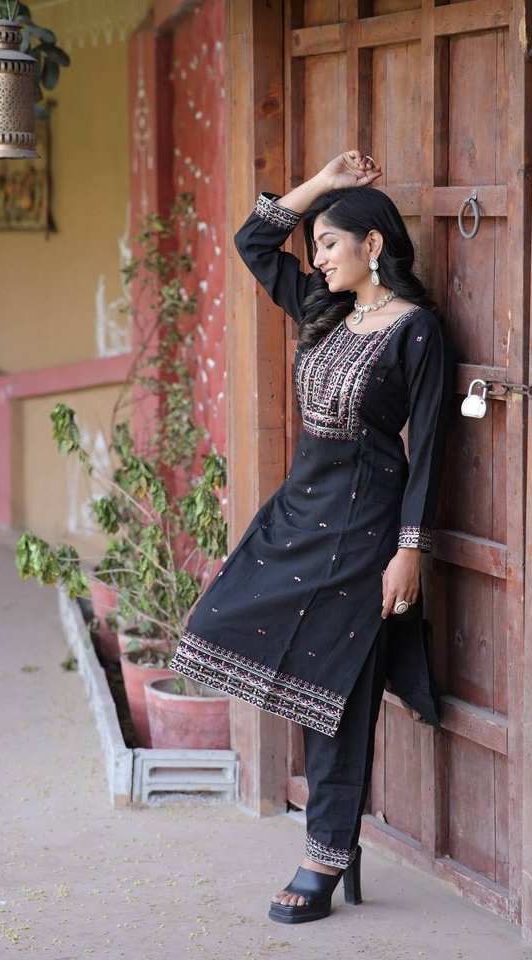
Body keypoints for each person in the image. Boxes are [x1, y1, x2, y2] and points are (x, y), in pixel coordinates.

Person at [169, 150, 456, 923]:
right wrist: (325, 185)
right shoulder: (326, 310)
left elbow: (430, 448)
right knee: (226, 628)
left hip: (364, 530)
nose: (318, 258)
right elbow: (253, 241)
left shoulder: (417, 333)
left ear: (373, 244)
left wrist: (409, 550)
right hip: (297, 517)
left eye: (329, 243)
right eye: (317, 246)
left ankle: (326, 853)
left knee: (339, 692)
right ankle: (333, 838)